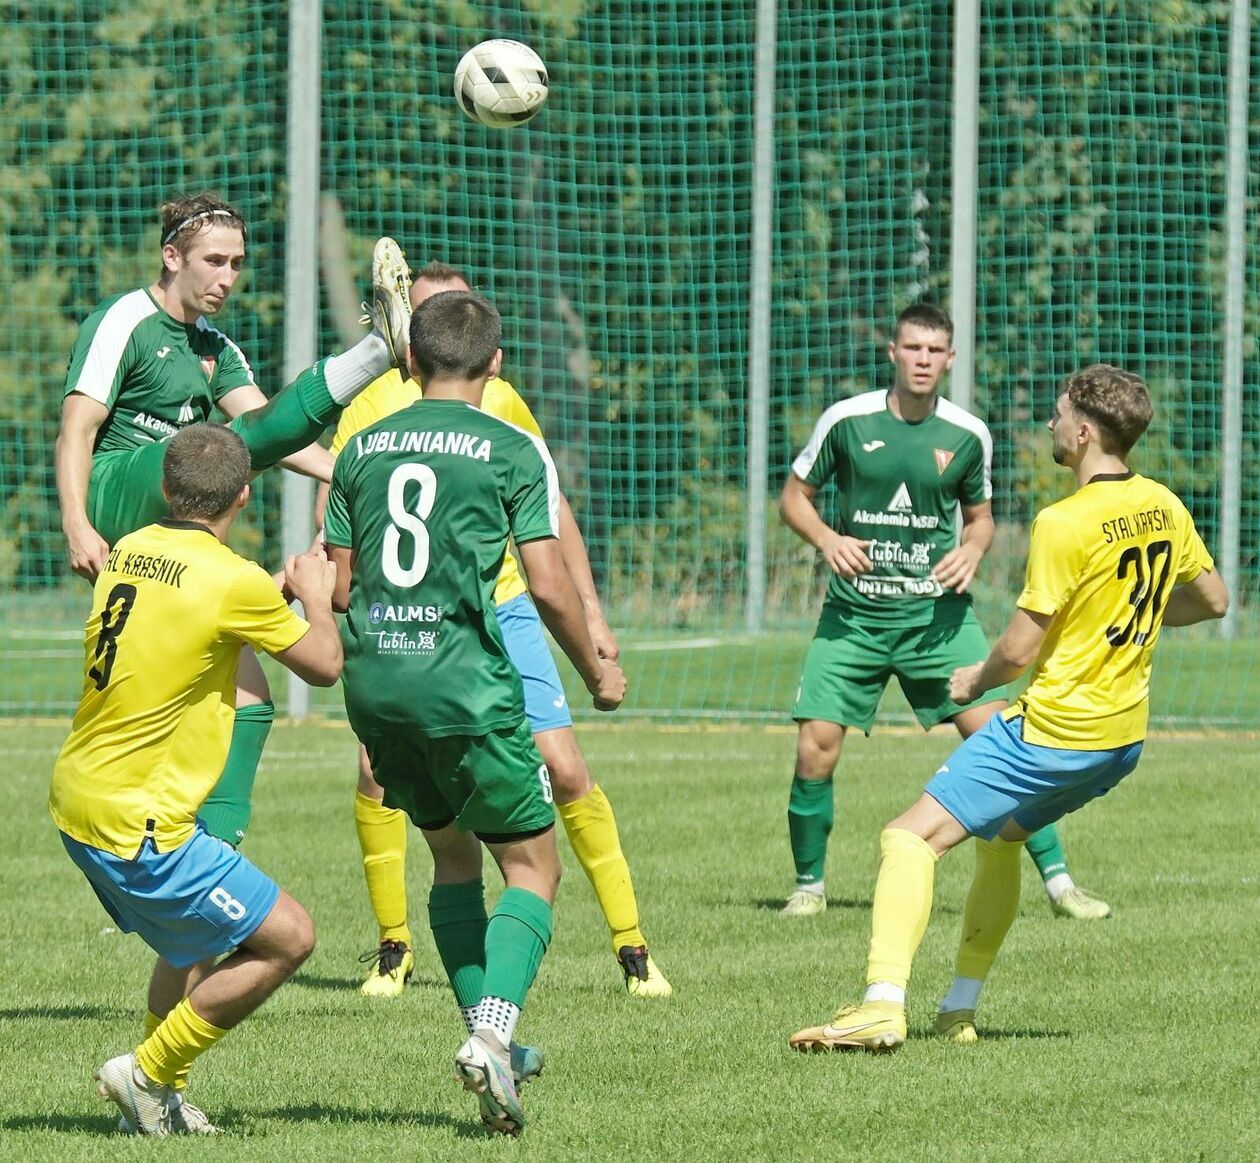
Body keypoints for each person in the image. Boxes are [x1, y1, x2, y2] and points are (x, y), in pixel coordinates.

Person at [53, 199, 413, 1120]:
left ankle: (162, 1063)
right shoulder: (128, 322)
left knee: (243, 692)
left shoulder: (219, 351)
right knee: (216, 455)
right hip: (135, 489)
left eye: (238, 262)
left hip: (176, 533)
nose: (226, 275)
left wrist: (357, 469)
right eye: (213, 259)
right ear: (170, 256)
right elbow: (78, 428)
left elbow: (269, 436)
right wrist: (76, 521)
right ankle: (377, 346)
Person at [788, 363, 1228, 1052]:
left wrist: (972, 681)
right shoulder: (1164, 504)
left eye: (1057, 415)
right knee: (1004, 838)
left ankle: (880, 1004)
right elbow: (1212, 598)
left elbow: (1019, 650)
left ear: (1084, 432)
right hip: (1120, 741)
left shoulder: (1064, 522)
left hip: (1053, 730)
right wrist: (1125, 617)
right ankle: (958, 1008)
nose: (1050, 423)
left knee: (907, 838)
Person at [317, 260, 670, 1000]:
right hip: (458, 633)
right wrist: (596, 663)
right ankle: (423, 970)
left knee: (521, 799)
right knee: (524, 860)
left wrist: (595, 613)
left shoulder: (449, 420)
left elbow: (341, 576)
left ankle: (629, 948)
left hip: (416, 634)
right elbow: (547, 570)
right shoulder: (383, 409)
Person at [50, 424, 344, 1135]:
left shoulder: (130, 551)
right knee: (290, 937)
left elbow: (190, 615)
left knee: (194, 940)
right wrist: (317, 592)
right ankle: (149, 1071)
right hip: (136, 821)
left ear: (165, 488)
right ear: (244, 495)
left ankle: (155, 1101)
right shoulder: (230, 580)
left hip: (77, 797)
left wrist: (267, 596)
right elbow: (325, 665)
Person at [779, 302, 1108, 922]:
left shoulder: (967, 433)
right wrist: (826, 538)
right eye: (912, 348)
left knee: (1005, 743)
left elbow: (981, 522)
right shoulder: (846, 422)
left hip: (939, 623)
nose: (923, 360)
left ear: (950, 359)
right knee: (814, 750)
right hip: (854, 619)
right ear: (893, 352)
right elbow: (793, 500)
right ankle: (809, 887)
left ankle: (1061, 884)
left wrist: (973, 552)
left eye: (935, 351)